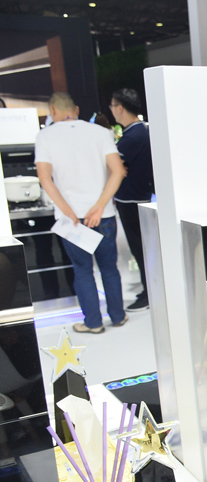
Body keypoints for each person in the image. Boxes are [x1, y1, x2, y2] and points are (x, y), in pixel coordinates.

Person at [35, 92, 127, 334]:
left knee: (83, 270)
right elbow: (118, 171)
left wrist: (68, 211)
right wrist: (99, 205)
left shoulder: (45, 136)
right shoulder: (100, 132)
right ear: (75, 110)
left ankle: (93, 323)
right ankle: (118, 316)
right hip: (104, 214)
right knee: (109, 268)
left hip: (72, 219)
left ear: (52, 111)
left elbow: (45, 178)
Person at [109, 88, 154, 311]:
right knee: (142, 248)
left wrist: (116, 168)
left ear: (120, 108)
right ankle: (150, 290)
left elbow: (115, 167)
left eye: (112, 106)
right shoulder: (141, 131)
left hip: (132, 201)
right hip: (140, 197)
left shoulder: (132, 137)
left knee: (140, 249)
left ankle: (150, 293)